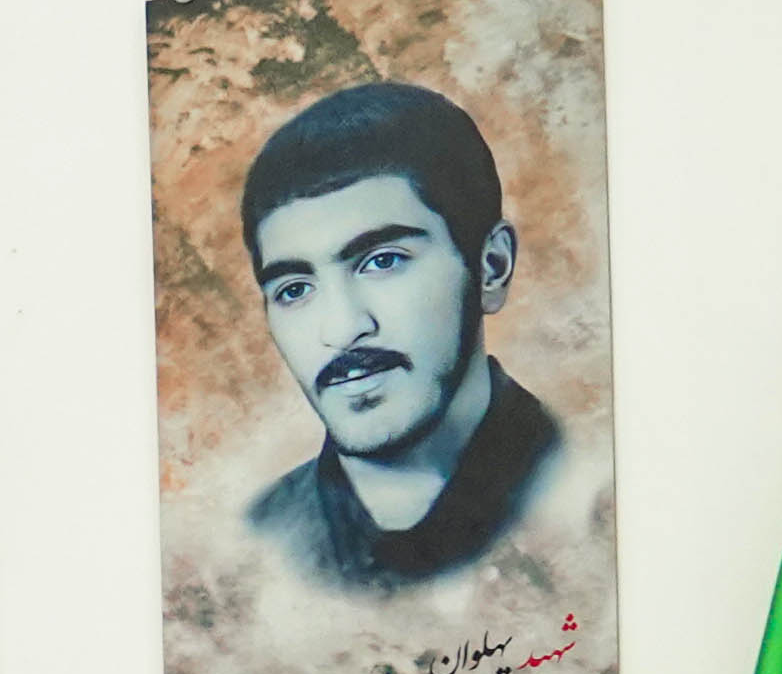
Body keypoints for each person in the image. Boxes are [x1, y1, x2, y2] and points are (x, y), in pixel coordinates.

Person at [226, 80, 582, 597]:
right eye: (295, 289)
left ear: (491, 267)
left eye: (383, 261)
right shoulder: (249, 556)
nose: (341, 329)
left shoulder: (590, 497)